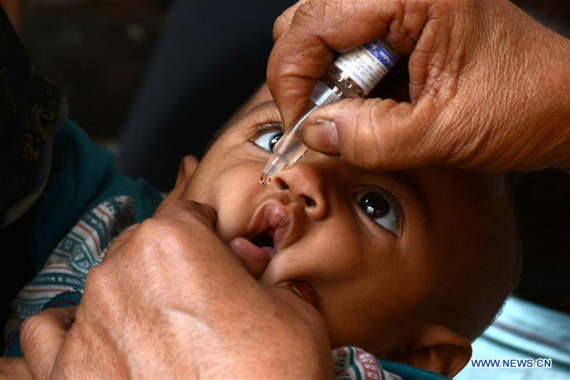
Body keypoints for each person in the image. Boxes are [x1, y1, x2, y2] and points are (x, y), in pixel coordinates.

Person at [1, 0, 568, 378]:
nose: (302, 173)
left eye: (377, 205)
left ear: (415, 353)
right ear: (180, 186)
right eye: (275, 136)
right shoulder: (109, 214)